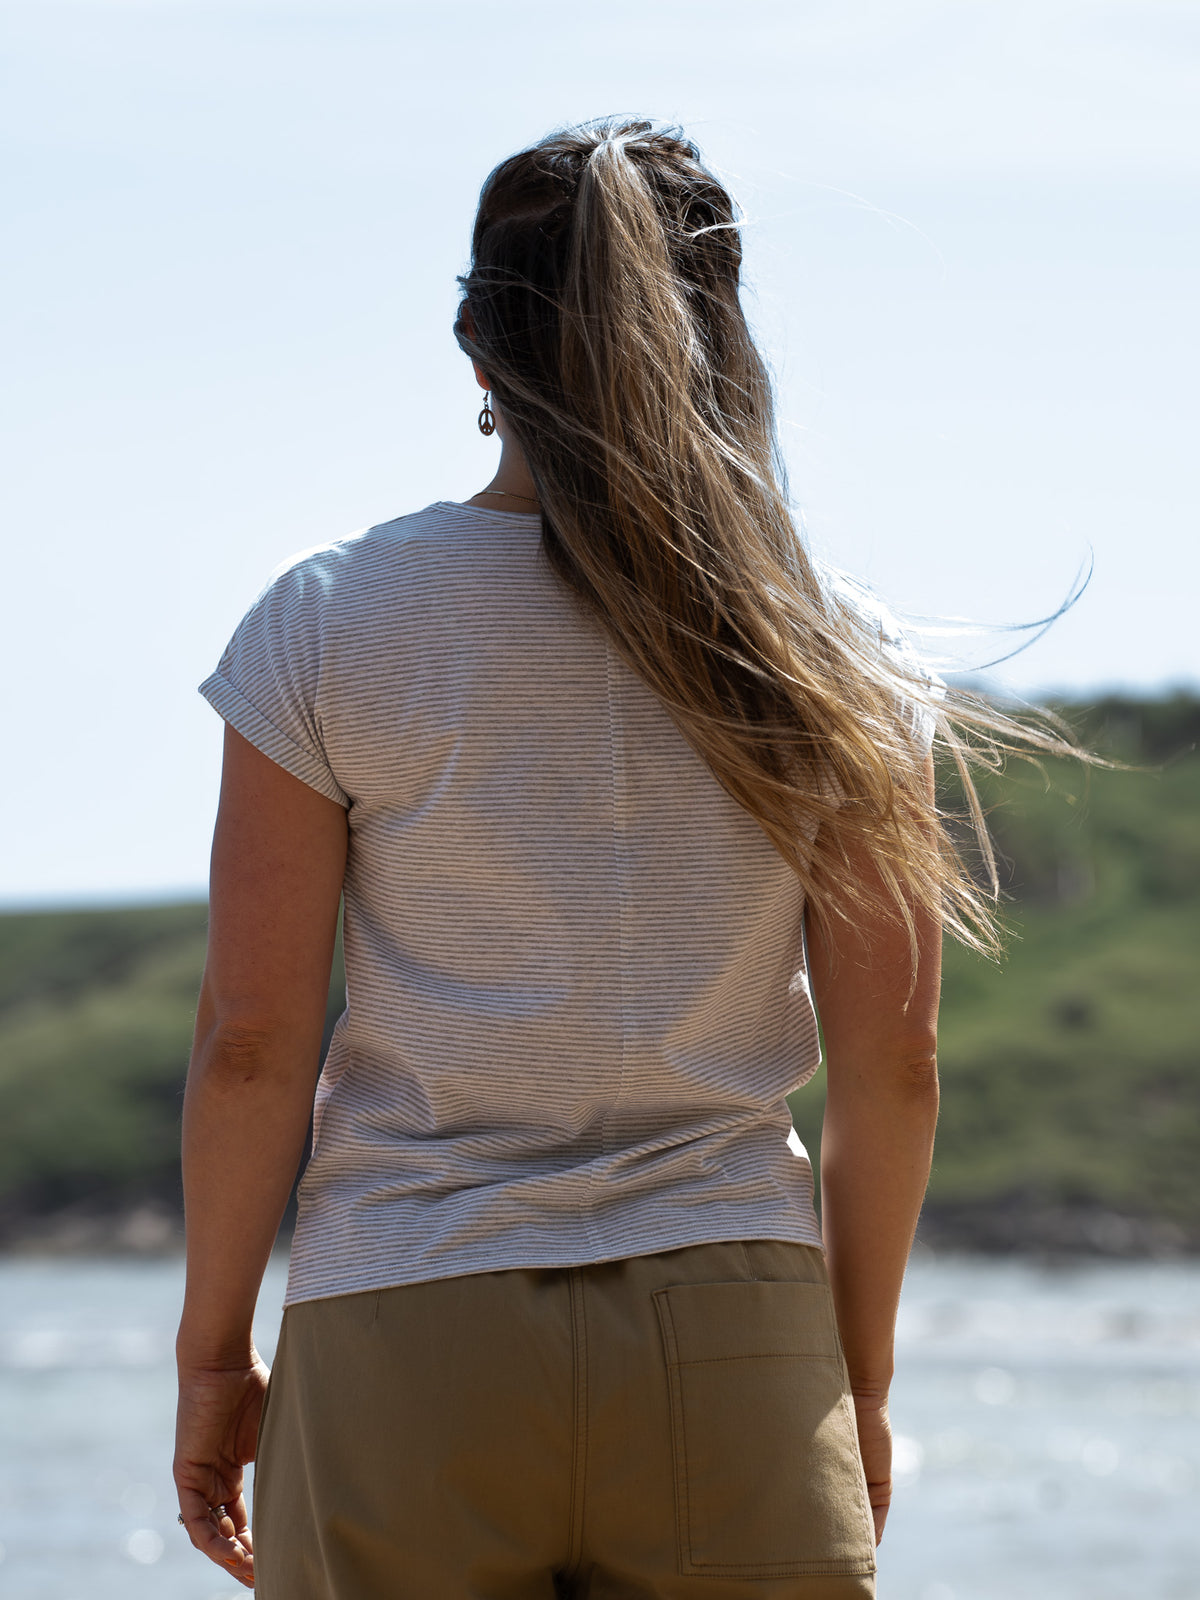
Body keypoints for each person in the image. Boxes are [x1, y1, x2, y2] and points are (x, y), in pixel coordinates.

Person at [172, 116, 1064, 1599]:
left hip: (406, 1327)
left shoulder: (328, 624)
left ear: (476, 346)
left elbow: (254, 1044)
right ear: (719, 339)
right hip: (735, 1337)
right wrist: (856, 1382)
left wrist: (214, 1358)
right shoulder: (832, 651)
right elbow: (893, 1068)